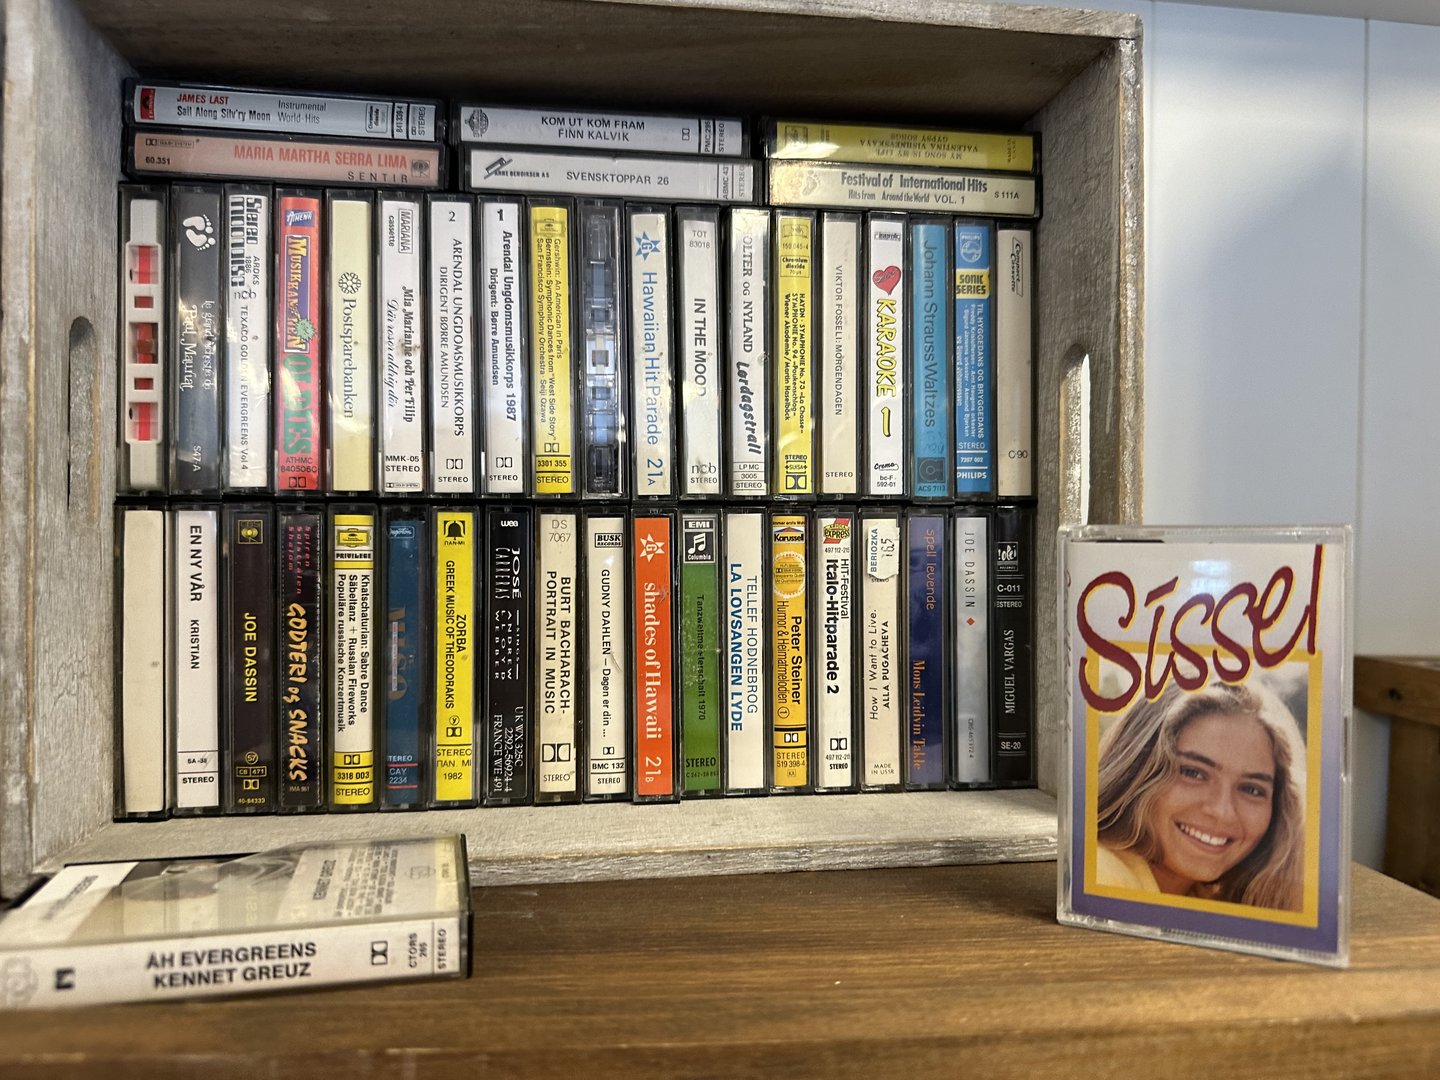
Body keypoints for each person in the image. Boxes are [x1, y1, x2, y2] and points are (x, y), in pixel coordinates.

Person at [1093, 677, 1306, 911]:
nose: (1222, 812)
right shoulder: (1102, 878)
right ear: (1137, 773)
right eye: (1193, 773)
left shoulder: (1212, 899)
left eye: (1251, 789)